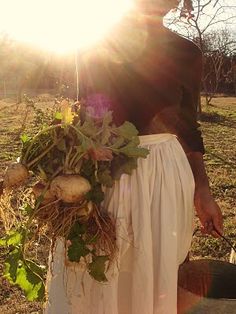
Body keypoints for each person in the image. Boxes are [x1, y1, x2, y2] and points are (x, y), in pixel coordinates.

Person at [44, 1, 223, 313]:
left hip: (166, 179)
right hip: (107, 172)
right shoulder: (93, 45)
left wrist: (203, 190)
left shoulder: (187, 53)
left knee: (156, 276)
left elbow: (188, 128)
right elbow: (83, 113)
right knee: (99, 269)